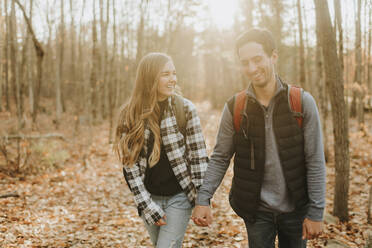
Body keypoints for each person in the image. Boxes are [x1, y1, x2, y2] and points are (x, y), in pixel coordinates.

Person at [191, 28, 326, 248]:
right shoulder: (235, 107)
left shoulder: (301, 102)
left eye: (257, 59)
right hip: (256, 211)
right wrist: (203, 198)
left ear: (273, 56)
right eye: (245, 62)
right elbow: (220, 157)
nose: (252, 68)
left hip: (296, 210)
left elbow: (315, 161)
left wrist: (317, 212)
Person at [114, 52, 208, 247]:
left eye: (174, 73)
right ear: (150, 78)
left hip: (180, 196)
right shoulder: (130, 115)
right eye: (165, 74)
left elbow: (199, 159)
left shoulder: (185, 110)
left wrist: (203, 200)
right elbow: (129, 167)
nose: (173, 79)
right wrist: (147, 206)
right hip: (148, 197)